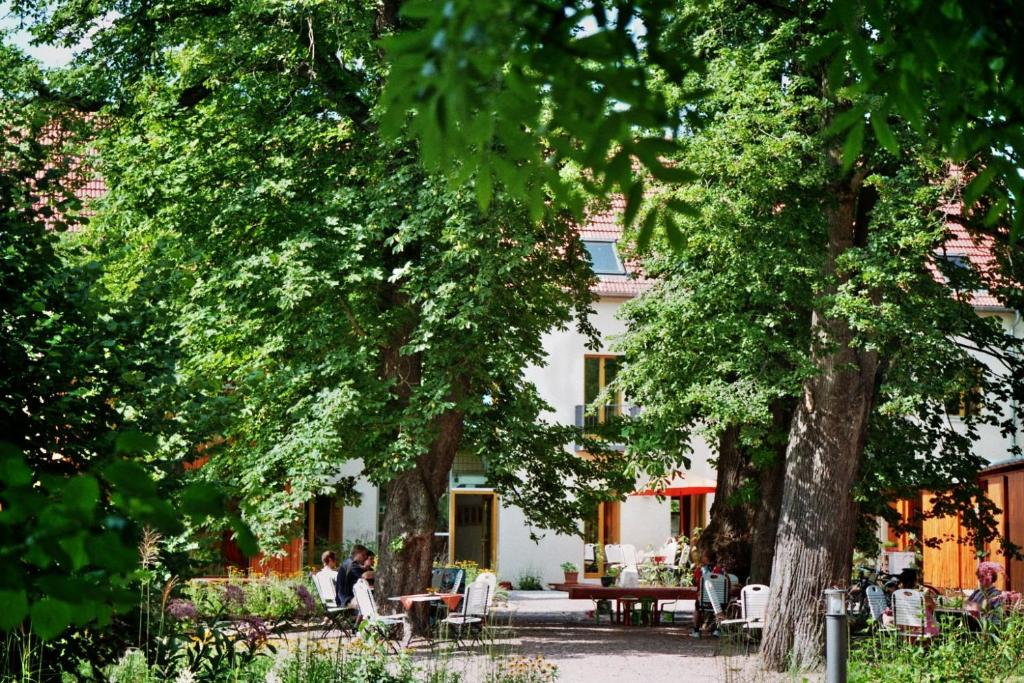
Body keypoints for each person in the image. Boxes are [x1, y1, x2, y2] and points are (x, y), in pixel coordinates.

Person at [691, 550, 724, 638]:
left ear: (707, 558)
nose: (701, 557)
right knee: (723, 606)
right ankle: (718, 630)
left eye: (703, 556)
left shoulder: (700, 571)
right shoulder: (720, 570)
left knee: (697, 607)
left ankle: (696, 631)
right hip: (719, 601)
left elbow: (696, 584)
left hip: (704, 601)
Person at [966, 561, 1005, 629]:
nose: (980, 579)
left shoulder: (996, 594)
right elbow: (966, 605)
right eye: (979, 577)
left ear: (991, 577)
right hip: (970, 626)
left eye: (982, 576)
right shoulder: (977, 592)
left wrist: (978, 611)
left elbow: (996, 619)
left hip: (983, 630)